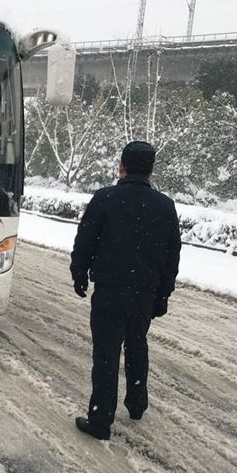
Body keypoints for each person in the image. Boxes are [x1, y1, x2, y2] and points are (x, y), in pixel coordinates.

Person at [70, 141, 181, 441]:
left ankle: (100, 419)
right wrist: (163, 294)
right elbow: (171, 256)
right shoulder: (165, 206)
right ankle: (136, 404)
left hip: (109, 290)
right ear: (151, 170)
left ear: (122, 166)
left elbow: (85, 241)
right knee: (137, 345)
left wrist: (79, 274)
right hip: (144, 293)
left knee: (106, 353)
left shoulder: (105, 198)